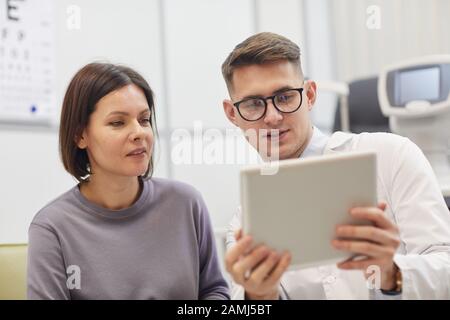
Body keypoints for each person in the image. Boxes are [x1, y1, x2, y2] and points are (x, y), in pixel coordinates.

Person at [221, 32, 450, 299]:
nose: (272, 117)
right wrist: (259, 294)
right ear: (232, 114)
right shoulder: (246, 221)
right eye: (253, 104)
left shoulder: (392, 155)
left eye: (284, 97)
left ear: (309, 95)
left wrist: (391, 272)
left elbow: (445, 267)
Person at [27, 63, 229, 300]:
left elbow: (214, 291)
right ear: (80, 135)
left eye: (144, 120)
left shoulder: (186, 203)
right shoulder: (52, 227)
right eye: (118, 123)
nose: (139, 133)